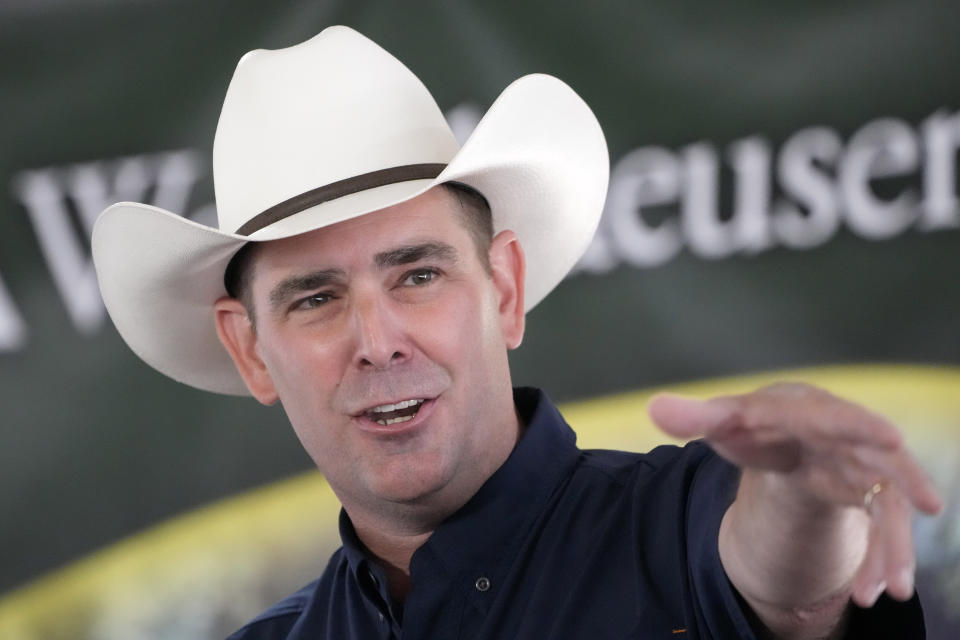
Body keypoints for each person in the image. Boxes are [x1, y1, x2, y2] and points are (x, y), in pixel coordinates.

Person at [92, 26, 942, 639]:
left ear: (503, 287)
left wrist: (803, 498)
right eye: (315, 299)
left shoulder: (675, 524)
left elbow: (788, 589)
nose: (378, 340)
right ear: (249, 349)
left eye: (417, 275)